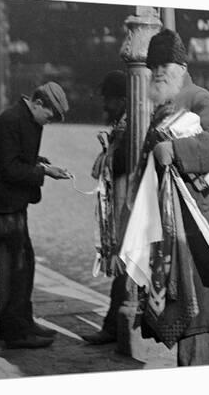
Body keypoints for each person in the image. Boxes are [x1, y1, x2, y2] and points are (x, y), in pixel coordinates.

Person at [132, 28, 209, 366]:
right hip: (170, 220)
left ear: (180, 65)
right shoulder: (162, 102)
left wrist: (175, 149)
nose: (159, 71)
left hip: (194, 221)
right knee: (185, 312)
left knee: (196, 315)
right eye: (154, 66)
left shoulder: (197, 96)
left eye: (165, 64)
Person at [0, 82, 71, 349]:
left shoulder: (28, 119)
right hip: (2, 203)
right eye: (49, 116)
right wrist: (45, 173)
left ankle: (24, 322)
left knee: (25, 264)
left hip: (14, 201)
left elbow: (20, 157)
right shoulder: (9, 120)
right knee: (11, 269)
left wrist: (40, 162)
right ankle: (13, 333)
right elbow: (9, 168)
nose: (48, 123)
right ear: (38, 103)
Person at [81, 70, 137, 348]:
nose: (105, 105)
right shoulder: (123, 125)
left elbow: (120, 166)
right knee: (122, 269)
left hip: (125, 208)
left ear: (123, 99)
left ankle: (114, 327)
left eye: (109, 99)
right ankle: (112, 325)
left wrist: (108, 153)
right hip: (119, 206)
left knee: (123, 267)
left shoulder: (129, 128)